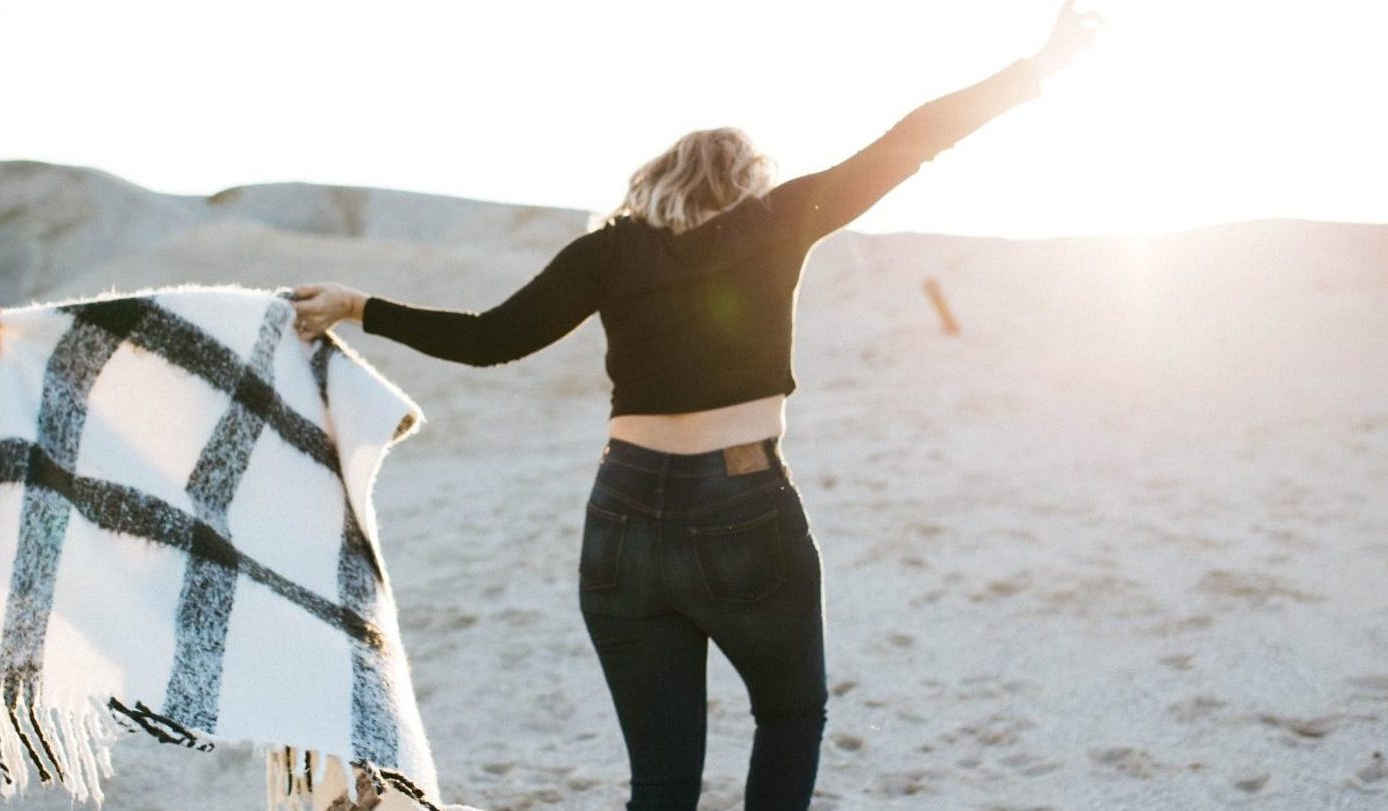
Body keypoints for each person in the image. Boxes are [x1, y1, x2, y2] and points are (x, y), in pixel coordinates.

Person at [291, 4, 1100, 807]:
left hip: (621, 517)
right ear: (747, 183)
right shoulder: (778, 221)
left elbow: (490, 338)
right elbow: (913, 140)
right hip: (743, 506)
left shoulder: (606, 252)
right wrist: (1038, 69)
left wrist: (361, 304)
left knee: (664, 783)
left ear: (656, 181)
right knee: (790, 715)